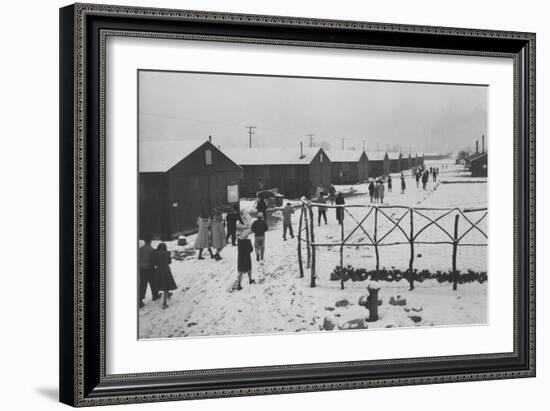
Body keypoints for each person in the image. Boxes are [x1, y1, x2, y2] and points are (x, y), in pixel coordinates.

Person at [139, 233, 160, 308]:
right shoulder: (151, 250)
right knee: (153, 282)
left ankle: (140, 300)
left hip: (141, 269)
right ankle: (155, 295)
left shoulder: (140, 249)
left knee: (142, 284)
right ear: (150, 241)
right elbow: (154, 260)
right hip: (150, 268)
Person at [154, 242, 177, 309]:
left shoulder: (155, 253)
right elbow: (169, 262)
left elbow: (154, 263)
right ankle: (164, 303)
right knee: (166, 286)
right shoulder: (167, 253)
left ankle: (166, 294)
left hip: (158, 270)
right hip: (166, 270)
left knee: (159, 283)